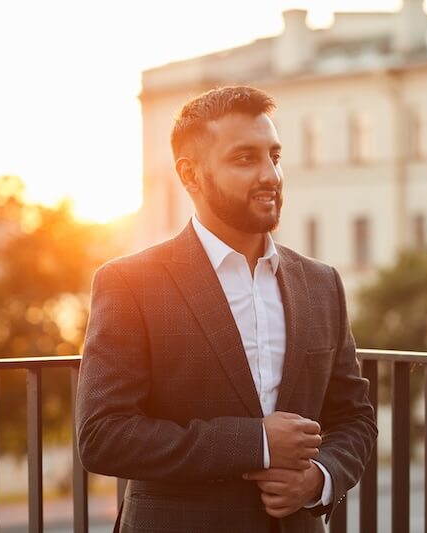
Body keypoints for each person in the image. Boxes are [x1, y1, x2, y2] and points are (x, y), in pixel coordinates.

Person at [75, 85, 377, 533]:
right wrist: (255, 442)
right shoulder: (130, 283)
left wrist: (319, 479)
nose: (270, 175)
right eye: (244, 159)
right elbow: (104, 436)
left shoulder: (321, 284)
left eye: (274, 156)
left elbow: (354, 418)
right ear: (190, 175)